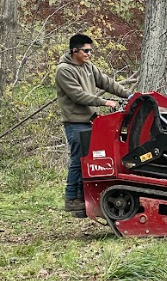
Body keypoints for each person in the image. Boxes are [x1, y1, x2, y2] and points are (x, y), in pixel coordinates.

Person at [55, 33, 130, 213]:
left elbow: (107, 82)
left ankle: (85, 197)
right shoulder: (64, 70)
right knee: (78, 159)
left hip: (91, 122)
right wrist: (104, 102)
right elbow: (77, 95)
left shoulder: (88, 66)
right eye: (86, 50)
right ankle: (72, 198)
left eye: (91, 50)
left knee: (90, 160)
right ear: (75, 50)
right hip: (75, 123)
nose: (89, 54)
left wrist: (130, 95)